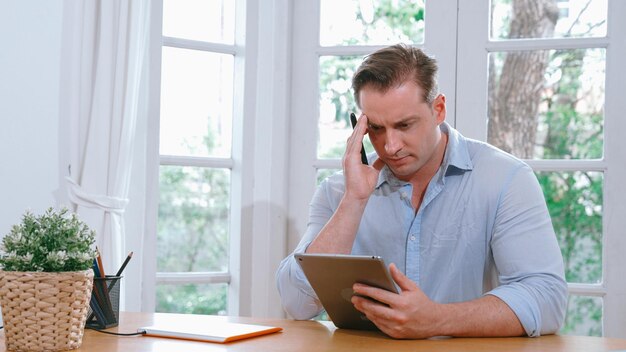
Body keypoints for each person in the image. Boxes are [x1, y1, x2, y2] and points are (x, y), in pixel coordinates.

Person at [276, 44, 567, 339]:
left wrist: (438, 319)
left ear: (438, 109)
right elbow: (296, 303)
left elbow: (547, 298)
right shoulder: (340, 191)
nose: (390, 146)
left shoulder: (505, 179)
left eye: (404, 125)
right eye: (376, 128)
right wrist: (354, 200)